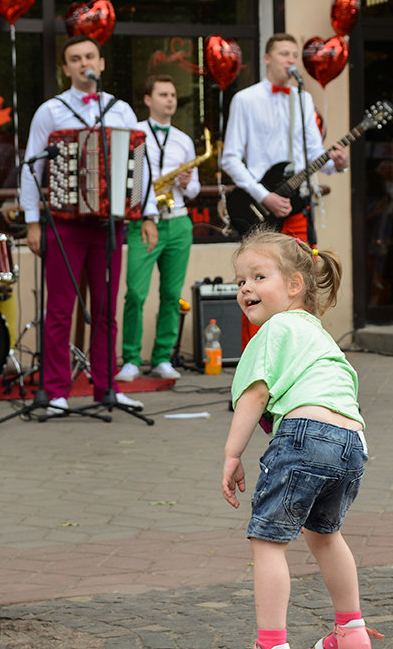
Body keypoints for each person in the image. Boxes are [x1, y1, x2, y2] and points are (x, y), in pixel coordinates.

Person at [220, 229, 381, 649]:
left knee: (268, 542)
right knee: (325, 534)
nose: (245, 288)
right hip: (352, 441)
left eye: (258, 276)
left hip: (305, 436)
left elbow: (254, 395)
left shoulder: (275, 330)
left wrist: (233, 454)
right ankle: (350, 632)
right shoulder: (317, 333)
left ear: (294, 285)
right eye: (240, 281)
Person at [19, 34, 154, 414]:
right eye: (75, 59)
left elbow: (140, 164)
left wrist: (145, 212)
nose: (83, 63)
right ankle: (57, 390)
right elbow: (33, 168)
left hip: (109, 225)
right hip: (64, 224)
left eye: (89, 56)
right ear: (66, 68)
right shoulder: (52, 110)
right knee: (61, 309)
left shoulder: (121, 109)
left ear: (102, 62)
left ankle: (106, 387)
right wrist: (33, 222)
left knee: (106, 310)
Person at [220, 33, 349, 349]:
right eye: (284, 54)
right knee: (257, 287)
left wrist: (336, 164)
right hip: (261, 207)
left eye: (294, 54)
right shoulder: (246, 99)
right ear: (267, 58)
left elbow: (312, 153)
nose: (291, 60)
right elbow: (230, 158)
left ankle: (298, 356)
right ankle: (254, 365)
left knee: (301, 280)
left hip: (296, 205)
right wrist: (263, 194)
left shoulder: (302, 99)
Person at [116, 74, 200, 383]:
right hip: (143, 222)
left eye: (173, 95)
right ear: (148, 100)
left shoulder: (183, 140)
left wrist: (188, 184)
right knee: (136, 293)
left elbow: (195, 190)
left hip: (178, 220)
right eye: (163, 94)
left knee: (170, 294)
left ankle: (163, 357)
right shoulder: (134, 133)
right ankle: (131, 359)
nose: (170, 100)